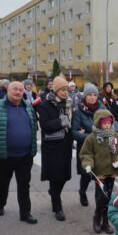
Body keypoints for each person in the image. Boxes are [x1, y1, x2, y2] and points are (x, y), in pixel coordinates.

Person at [0, 82, 38, 224]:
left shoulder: (28, 106)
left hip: (25, 155)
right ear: (8, 90)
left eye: (20, 90)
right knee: (3, 182)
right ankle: (0, 204)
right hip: (4, 155)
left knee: (24, 184)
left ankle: (25, 213)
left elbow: (33, 127)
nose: (18, 92)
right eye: (15, 89)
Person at [80, 110, 118, 234]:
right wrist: (88, 164)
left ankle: (105, 221)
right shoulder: (92, 138)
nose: (107, 125)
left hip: (111, 172)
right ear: (98, 123)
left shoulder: (116, 136)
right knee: (101, 197)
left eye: (109, 123)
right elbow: (86, 153)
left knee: (108, 197)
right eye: (104, 123)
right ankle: (97, 218)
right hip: (99, 173)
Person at [38, 76, 73, 221]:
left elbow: (72, 123)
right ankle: (57, 207)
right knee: (55, 176)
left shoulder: (69, 104)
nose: (65, 92)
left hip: (66, 144)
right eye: (62, 90)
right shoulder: (46, 104)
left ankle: (54, 192)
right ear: (56, 90)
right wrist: (62, 121)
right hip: (52, 146)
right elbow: (45, 125)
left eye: (67, 89)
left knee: (65, 176)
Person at [72, 83, 105, 207]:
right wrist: (91, 136)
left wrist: (86, 131)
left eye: (94, 95)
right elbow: (74, 132)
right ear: (85, 96)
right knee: (86, 174)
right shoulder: (79, 111)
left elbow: (110, 125)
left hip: (101, 148)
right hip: (86, 148)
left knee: (100, 174)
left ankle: (100, 202)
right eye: (89, 95)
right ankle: (82, 192)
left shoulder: (103, 109)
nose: (92, 97)